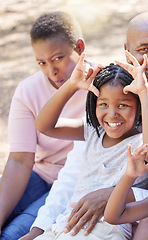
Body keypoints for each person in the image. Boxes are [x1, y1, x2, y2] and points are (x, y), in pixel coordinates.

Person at [22, 11, 148, 239]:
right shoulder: (97, 126)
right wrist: (39, 229)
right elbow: (53, 141)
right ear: (127, 50)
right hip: (68, 223)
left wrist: (144, 92)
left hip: (110, 227)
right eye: (144, 49)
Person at [33, 48, 148, 240]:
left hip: (106, 228)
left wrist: (143, 91)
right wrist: (72, 85)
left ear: (140, 108)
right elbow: (44, 125)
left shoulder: (140, 143)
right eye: (103, 104)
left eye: (123, 105)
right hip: (68, 222)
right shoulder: (94, 131)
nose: (112, 113)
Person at [0, 11, 91, 240]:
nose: (51, 71)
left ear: (79, 47)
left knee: (12, 235)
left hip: (75, 183)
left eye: (58, 58)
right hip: (39, 174)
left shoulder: (103, 85)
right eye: (42, 63)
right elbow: (20, 160)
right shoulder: (28, 90)